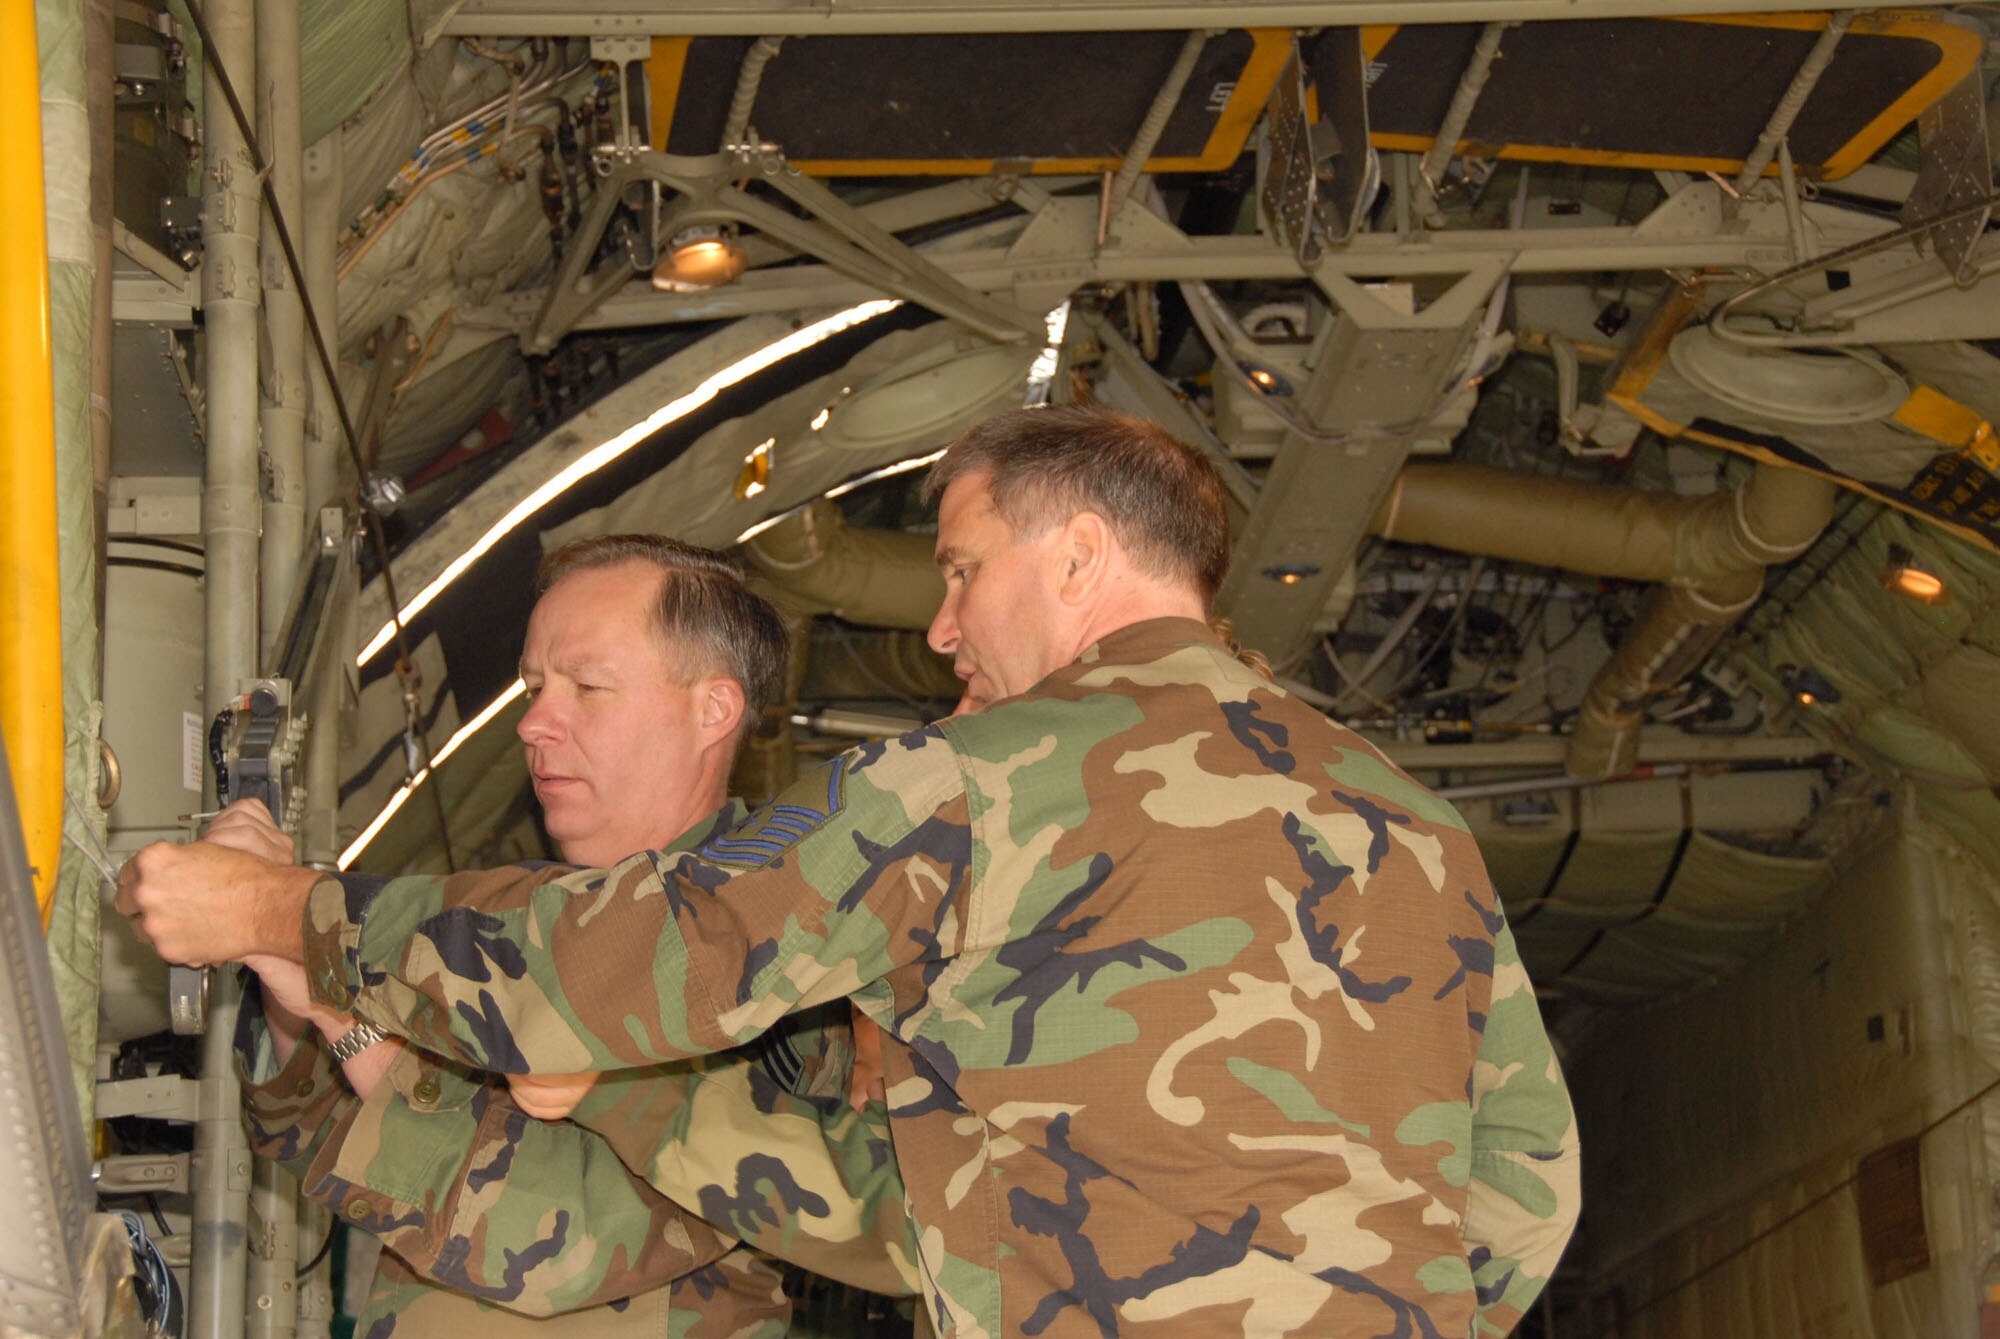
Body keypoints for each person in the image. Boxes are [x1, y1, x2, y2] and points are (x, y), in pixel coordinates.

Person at [121, 404, 1582, 1337]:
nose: (944, 629)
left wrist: (279, 908)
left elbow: (626, 956)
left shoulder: (983, 774)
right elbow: (1528, 1189)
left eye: (960, 569)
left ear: (1077, 559)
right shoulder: (1411, 819)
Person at [214, 535, 908, 1334]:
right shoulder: (508, 918)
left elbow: (555, 1237)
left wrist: (322, 983)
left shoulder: (768, 956)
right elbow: (321, 1130)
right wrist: (280, 966)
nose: (534, 723)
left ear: (711, 708)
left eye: (586, 685)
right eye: (534, 687)